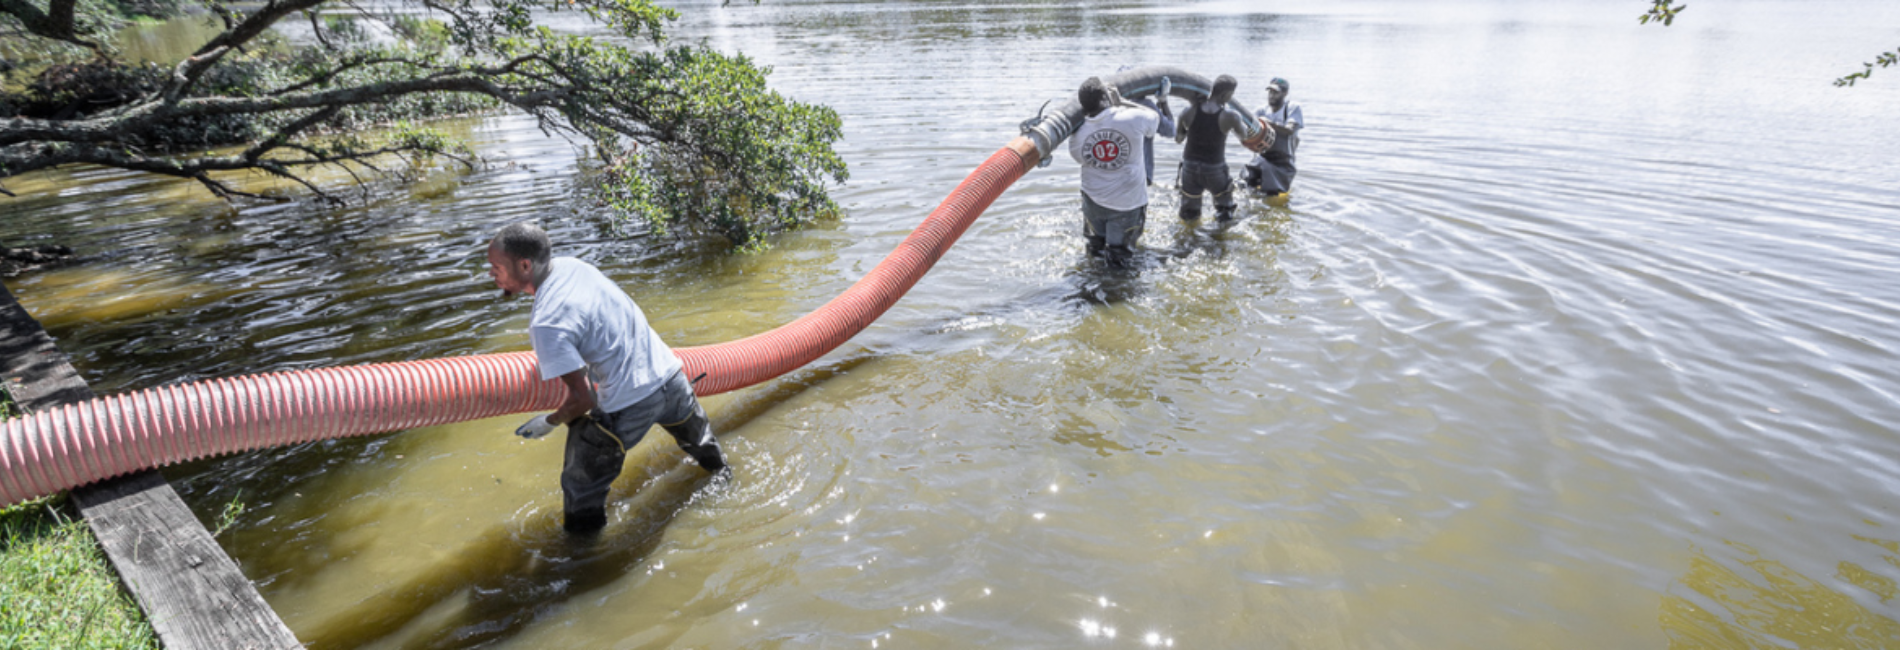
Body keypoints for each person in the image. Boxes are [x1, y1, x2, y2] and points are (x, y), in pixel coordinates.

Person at [487, 222, 727, 534]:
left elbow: (584, 399)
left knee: (580, 483)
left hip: (631, 402)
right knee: (702, 444)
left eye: (496, 267)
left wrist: (550, 421)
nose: (491, 274)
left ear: (524, 265)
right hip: (672, 375)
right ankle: (725, 480)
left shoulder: (545, 323)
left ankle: (584, 559)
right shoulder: (574, 267)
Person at [1068, 77, 1161, 264]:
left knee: (1095, 251)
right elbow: (1155, 119)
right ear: (1106, 97)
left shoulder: (1077, 135)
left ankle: (1091, 285)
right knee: (1120, 259)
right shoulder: (1132, 118)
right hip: (1127, 205)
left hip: (1093, 202)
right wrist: (1121, 102)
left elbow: (1079, 158)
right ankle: (1116, 290)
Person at [1172, 74, 1271, 222]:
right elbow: (1244, 136)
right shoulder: (1231, 116)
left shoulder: (1188, 112)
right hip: (1214, 170)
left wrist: (1190, 130)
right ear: (1226, 94)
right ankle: (1219, 239)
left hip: (1190, 168)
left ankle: (1189, 238)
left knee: (1189, 213)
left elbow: (1178, 139)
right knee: (1224, 209)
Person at [1243, 77, 1303, 196]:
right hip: (1263, 158)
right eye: (1270, 92)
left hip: (1283, 162)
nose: (1271, 95)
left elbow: (1290, 130)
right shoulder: (1262, 110)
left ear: (1285, 93)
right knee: (1245, 183)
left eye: (1276, 92)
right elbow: (1247, 130)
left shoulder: (1292, 108)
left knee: (1271, 193)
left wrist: (1268, 124)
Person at [1117, 66, 1177, 185]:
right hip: (1142, 176)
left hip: (1116, 174)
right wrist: (1163, 101)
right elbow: (1170, 131)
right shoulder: (1147, 106)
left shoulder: (1112, 107)